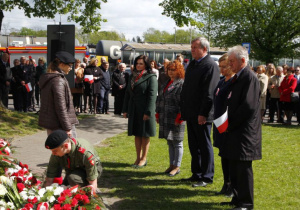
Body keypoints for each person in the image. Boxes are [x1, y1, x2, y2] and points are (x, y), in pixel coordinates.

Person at [220, 45, 262, 210]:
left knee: (243, 168)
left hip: (244, 131)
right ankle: (237, 198)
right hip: (234, 130)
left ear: (243, 60)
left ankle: (246, 202)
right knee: (234, 165)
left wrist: (231, 122)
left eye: (232, 61)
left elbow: (248, 106)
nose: (230, 64)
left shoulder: (249, 77)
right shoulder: (238, 76)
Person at [180, 37, 220, 187]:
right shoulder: (193, 65)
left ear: (204, 49)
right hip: (191, 112)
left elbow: (209, 92)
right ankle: (196, 173)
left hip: (202, 114)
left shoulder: (210, 65)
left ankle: (207, 176)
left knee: (204, 145)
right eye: (191, 47)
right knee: (193, 144)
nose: (192, 50)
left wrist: (203, 113)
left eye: (195, 47)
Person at [123, 55, 158, 168]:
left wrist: (148, 112)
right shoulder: (132, 76)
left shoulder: (151, 77)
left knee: (144, 134)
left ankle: (144, 158)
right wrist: (125, 109)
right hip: (134, 109)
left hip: (145, 110)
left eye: (141, 63)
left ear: (146, 65)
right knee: (137, 133)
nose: (138, 65)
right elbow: (127, 94)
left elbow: (152, 96)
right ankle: (138, 157)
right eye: (137, 63)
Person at [38, 51, 78, 137]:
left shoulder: (51, 77)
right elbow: (61, 107)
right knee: (67, 149)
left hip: (53, 123)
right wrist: (67, 128)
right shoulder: (58, 80)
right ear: (61, 64)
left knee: (56, 150)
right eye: (70, 65)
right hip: (60, 125)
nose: (71, 68)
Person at [156, 60, 185, 176]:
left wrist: (180, 117)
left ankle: (177, 166)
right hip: (165, 116)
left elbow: (183, 103)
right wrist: (157, 113)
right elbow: (160, 99)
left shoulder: (181, 83)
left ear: (179, 71)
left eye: (173, 70)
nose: (171, 72)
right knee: (170, 141)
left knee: (177, 142)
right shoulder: (166, 82)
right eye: (169, 70)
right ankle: (172, 164)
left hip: (176, 117)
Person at [213, 53, 234, 197]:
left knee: (231, 156)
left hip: (229, 125)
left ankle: (233, 186)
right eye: (220, 67)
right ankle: (226, 183)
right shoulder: (221, 82)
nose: (222, 70)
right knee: (223, 155)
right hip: (219, 123)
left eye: (224, 66)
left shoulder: (235, 83)